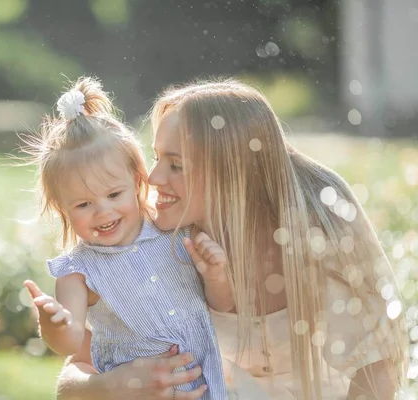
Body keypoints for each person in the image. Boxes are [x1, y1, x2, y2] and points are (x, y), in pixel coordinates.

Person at [55, 78, 409, 399]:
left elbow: (376, 366)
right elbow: (73, 375)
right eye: (156, 157)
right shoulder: (154, 236)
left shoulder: (315, 223)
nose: (153, 177)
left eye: (176, 165)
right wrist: (112, 385)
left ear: (231, 170)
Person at [22, 76, 228, 399]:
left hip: (211, 387)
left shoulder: (171, 231)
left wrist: (216, 276)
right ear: (63, 209)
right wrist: (54, 324)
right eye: (84, 204)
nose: (102, 212)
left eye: (114, 194)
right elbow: (72, 342)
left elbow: (221, 305)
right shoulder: (78, 271)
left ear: (136, 181)